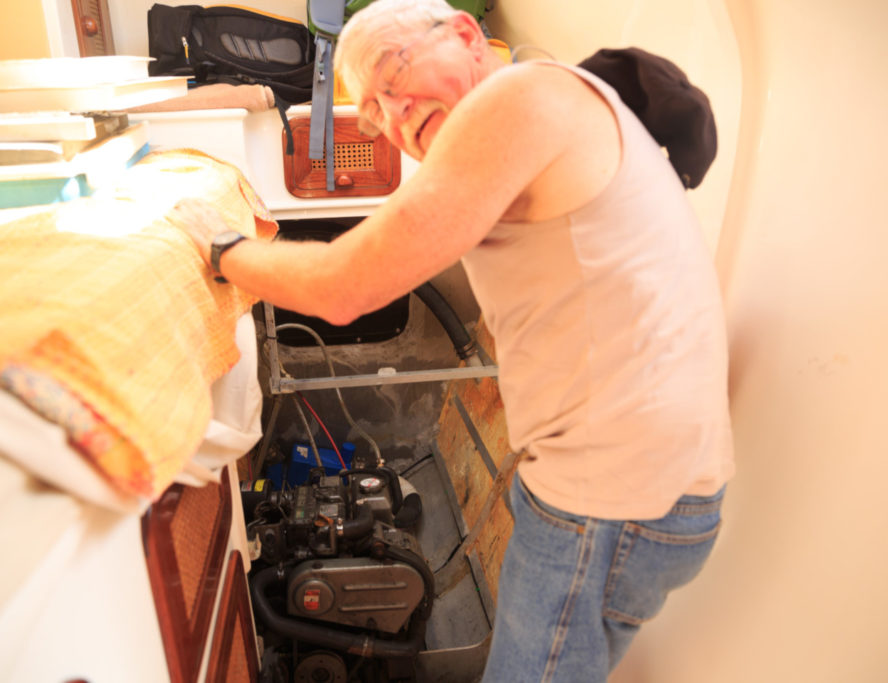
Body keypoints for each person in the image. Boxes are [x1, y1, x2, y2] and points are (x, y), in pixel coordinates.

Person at [172, 0, 734, 680]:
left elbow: (344, 287)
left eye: (393, 70)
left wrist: (219, 243)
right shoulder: (556, 103)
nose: (392, 111)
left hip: (607, 501)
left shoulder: (515, 100)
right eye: (374, 109)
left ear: (468, 35)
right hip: (655, 490)